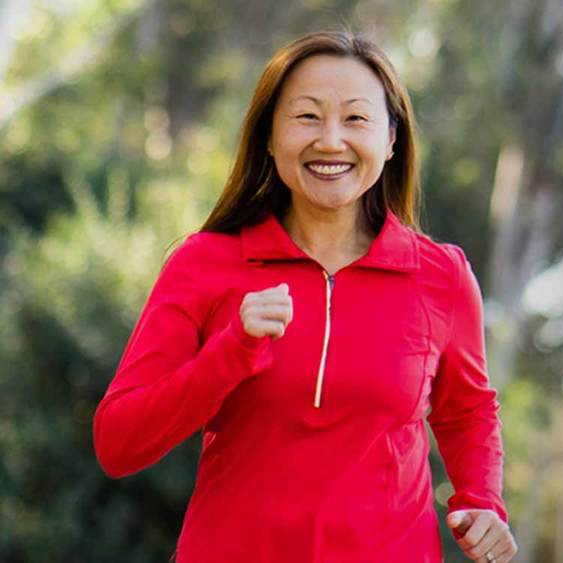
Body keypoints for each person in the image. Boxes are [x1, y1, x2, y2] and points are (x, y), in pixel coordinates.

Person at [92, 30, 517, 563]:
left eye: (356, 119)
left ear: (391, 140)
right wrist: (231, 351)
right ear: (269, 137)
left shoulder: (441, 276)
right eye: (307, 117)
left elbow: (467, 411)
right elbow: (119, 442)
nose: (331, 141)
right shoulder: (204, 263)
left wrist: (482, 502)